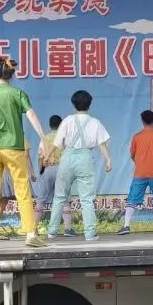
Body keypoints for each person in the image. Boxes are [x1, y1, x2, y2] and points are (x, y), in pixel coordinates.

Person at [0, 56, 46, 247]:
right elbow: (31, 114)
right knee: (22, 190)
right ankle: (30, 234)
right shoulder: (17, 93)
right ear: (12, 74)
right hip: (14, 148)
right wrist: (43, 138)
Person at [48, 90, 112, 242]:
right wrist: (108, 160)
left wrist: (48, 155)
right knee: (87, 199)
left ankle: (52, 231)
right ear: (90, 104)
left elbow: (57, 142)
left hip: (67, 158)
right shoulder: (95, 122)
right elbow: (102, 144)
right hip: (85, 158)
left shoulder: (68, 120)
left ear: (73, 104)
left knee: (59, 196)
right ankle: (90, 234)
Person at [117, 110, 153, 235]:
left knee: (132, 199)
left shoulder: (136, 137)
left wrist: (140, 164)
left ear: (142, 121)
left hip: (140, 173)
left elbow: (132, 155)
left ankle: (126, 226)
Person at [34, 115, 74, 236]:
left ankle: (33, 228)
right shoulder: (64, 139)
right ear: (61, 125)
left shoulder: (45, 139)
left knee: (41, 199)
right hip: (61, 169)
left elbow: (40, 157)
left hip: (47, 169)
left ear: (50, 125)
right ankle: (68, 229)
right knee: (64, 198)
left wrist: (40, 171)